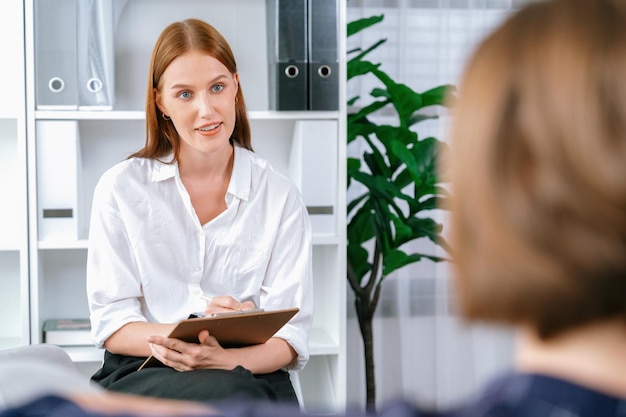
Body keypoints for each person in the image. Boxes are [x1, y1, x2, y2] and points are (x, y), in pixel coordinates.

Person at [85, 18, 313, 404]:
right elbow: (112, 324)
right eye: (185, 94)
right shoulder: (121, 188)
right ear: (161, 102)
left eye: (217, 88)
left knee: (238, 391)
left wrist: (224, 357)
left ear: (236, 88)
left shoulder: (279, 195)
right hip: (145, 366)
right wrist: (188, 337)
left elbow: (291, 339)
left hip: (247, 368)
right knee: (236, 396)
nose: (207, 110)